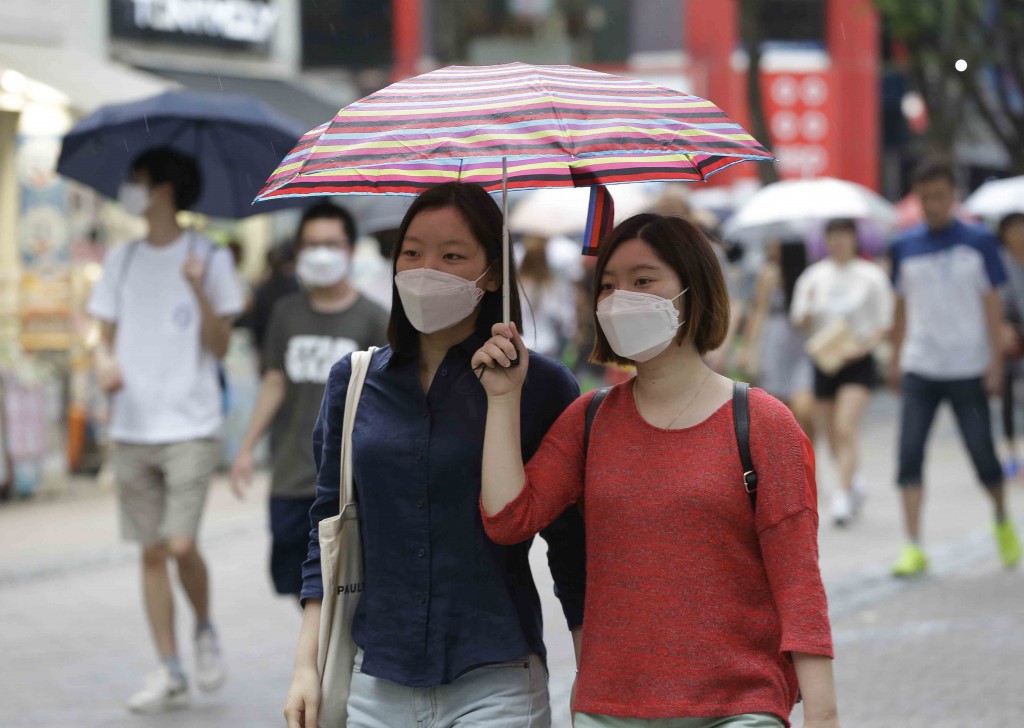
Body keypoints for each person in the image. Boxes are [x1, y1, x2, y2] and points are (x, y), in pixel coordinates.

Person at [473, 213, 839, 728]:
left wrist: (822, 712)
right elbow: (509, 518)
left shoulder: (762, 423)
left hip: (740, 707)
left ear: (693, 289)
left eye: (643, 281)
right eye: (608, 286)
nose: (621, 298)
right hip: (609, 709)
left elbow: (798, 583)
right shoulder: (589, 419)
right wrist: (504, 398)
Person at [283, 182, 586, 728]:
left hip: (498, 680)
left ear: (492, 271)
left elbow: (571, 548)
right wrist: (307, 665)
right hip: (376, 683)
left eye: (452, 255)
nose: (427, 269)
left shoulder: (540, 386)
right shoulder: (352, 383)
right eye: (413, 251)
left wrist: (591, 669)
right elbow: (327, 528)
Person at [87, 147, 244, 713]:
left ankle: (203, 627)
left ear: (162, 189)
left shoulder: (209, 255)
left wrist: (199, 288)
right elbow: (100, 334)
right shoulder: (121, 260)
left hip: (191, 425)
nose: (130, 189)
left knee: (180, 544)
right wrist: (102, 360)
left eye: (137, 179)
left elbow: (222, 345)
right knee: (151, 551)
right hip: (132, 427)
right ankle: (170, 667)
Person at [229, 203, 389, 600]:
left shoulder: (374, 318)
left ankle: (323, 660)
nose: (322, 253)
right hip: (290, 473)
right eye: (312, 244)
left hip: (348, 478)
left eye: (331, 243)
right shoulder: (285, 314)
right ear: (298, 250)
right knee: (295, 582)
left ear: (350, 249)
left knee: (341, 583)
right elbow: (274, 382)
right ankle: (321, 655)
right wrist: (246, 448)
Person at [888, 158, 1022, 576]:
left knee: (982, 454)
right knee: (908, 455)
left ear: (954, 197)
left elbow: (992, 304)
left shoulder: (980, 241)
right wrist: (895, 357)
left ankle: (1001, 519)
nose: (933, 205)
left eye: (941, 197)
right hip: (920, 367)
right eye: (925, 198)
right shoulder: (903, 246)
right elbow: (901, 306)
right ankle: (913, 545)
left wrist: (995, 364)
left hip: (968, 366)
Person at [791, 219, 895, 526]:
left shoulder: (871, 275)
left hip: (857, 360)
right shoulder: (814, 277)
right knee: (830, 431)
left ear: (854, 239)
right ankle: (852, 480)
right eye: (832, 237)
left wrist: (864, 348)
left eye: (843, 236)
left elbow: (884, 323)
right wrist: (807, 308)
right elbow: (800, 323)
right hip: (825, 361)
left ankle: (842, 494)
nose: (838, 242)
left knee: (845, 426)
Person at [740, 239, 816, 438]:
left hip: (801, 342)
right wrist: (748, 348)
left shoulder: (809, 274)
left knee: (804, 407)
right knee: (777, 406)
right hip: (773, 340)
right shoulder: (769, 273)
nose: (771, 246)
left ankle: (809, 456)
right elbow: (759, 311)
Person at [996, 212, 1024, 477]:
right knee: (1006, 400)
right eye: (1013, 230)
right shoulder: (999, 262)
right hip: (1006, 338)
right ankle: (1011, 454)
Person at [518, 233, 577, 358]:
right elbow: (560, 316)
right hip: (546, 345)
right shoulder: (551, 286)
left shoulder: (515, 284)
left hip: (520, 343)